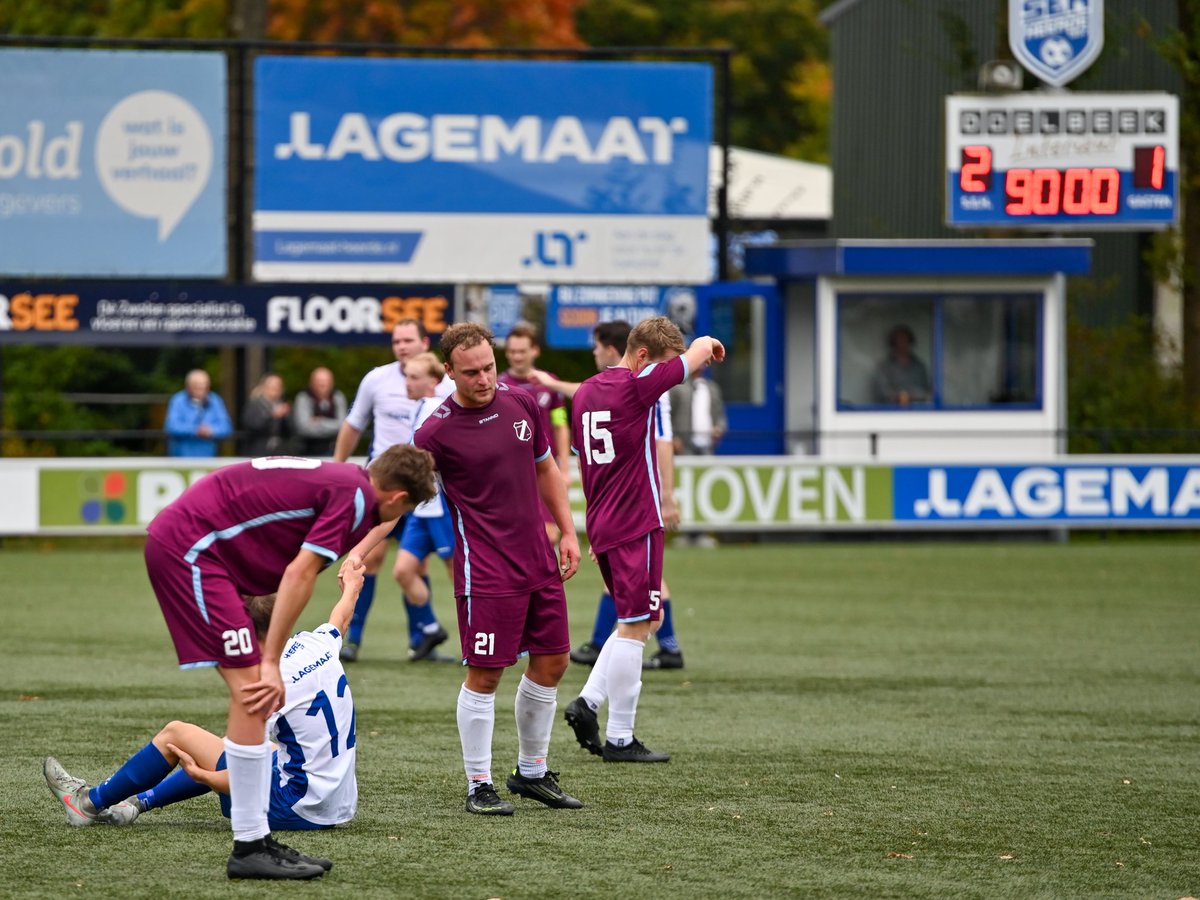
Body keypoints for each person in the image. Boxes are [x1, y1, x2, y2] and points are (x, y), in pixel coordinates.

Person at [134, 445, 435, 879]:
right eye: (404, 511)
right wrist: (271, 659)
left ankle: (252, 840)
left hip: (197, 540)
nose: (393, 523)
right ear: (395, 497)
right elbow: (299, 574)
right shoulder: (352, 499)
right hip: (190, 551)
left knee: (252, 703)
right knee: (254, 694)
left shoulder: (348, 480)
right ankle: (250, 846)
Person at [376, 321, 582, 815]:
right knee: (487, 675)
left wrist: (568, 529)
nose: (485, 379)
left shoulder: (522, 402)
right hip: (485, 570)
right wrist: (361, 546)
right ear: (448, 371)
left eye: (489, 367)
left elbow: (546, 467)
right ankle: (478, 783)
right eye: (471, 373)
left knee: (554, 663)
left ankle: (531, 773)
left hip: (538, 559)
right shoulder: (435, 432)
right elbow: (398, 494)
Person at [43, 565, 367, 836]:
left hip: (296, 808)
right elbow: (341, 618)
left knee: (176, 734)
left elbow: (241, 775)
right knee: (236, 745)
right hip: (335, 803)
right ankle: (135, 804)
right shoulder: (316, 644)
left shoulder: (263, 683)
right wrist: (351, 586)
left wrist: (206, 779)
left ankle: (87, 803)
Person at [564, 316, 724, 763]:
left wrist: (597, 528)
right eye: (661, 364)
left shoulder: (587, 392)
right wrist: (707, 341)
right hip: (636, 522)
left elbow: (586, 466)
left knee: (640, 621)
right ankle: (620, 737)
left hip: (605, 519)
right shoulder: (637, 387)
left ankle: (588, 702)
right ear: (640, 356)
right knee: (636, 628)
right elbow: (695, 356)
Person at [532, 320, 688, 671]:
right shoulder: (629, 388)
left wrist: (666, 495)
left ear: (613, 349)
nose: (593, 351)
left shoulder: (635, 389)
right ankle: (635, 653)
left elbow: (661, 441)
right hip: (628, 512)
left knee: (639, 607)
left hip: (624, 511)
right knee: (638, 611)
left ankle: (653, 646)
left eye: (597, 345)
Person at [333, 319, 454, 662]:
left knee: (415, 566)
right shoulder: (377, 379)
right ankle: (352, 638)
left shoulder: (442, 386)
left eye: (407, 340)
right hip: (382, 485)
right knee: (370, 557)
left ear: (423, 343)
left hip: (425, 489)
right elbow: (354, 423)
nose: (401, 346)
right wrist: (339, 468)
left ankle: (423, 638)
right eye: (396, 340)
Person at [391, 351, 454, 661]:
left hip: (441, 504)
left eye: (414, 377)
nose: (408, 382)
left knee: (460, 577)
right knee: (403, 571)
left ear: (432, 381)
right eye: (407, 376)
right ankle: (430, 627)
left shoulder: (435, 408)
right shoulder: (420, 407)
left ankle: (481, 638)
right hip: (423, 506)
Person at [497, 323, 572, 543]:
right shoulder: (498, 386)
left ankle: (543, 575)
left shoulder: (549, 383)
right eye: (512, 351)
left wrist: (565, 469)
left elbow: (560, 424)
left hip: (544, 469)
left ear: (534, 351)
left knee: (550, 534)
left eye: (521, 351)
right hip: (512, 474)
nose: (517, 356)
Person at [164, 369, 233, 457]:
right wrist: (195, 430)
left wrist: (211, 430)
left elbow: (226, 427)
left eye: (204, 387)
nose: (200, 391)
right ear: (188, 387)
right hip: (181, 456)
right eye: (197, 387)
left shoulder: (215, 400)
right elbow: (171, 426)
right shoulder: (178, 400)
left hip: (208, 456)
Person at [670, 368, 727, 456]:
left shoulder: (712, 388)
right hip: (683, 444)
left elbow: (720, 415)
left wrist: (718, 428)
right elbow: (667, 415)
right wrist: (673, 438)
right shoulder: (677, 387)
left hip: (707, 443)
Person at [292, 367, 347, 457]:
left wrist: (319, 421)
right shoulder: (303, 397)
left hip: (334, 452)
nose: (322, 384)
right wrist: (332, 426)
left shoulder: (338, 397)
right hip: (308, 452)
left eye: (326, 381)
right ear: (311, 382)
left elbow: (343, 426)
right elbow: (303, 427)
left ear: (332, 382)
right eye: (319, 381)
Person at [872, 324, 931, 406]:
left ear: (910, 342)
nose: (902, 343)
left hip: (917, 414)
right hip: (889, 414)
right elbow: (882, 392)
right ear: (893, 343)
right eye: (899, 340)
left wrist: (911, 396)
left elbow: (926, 392)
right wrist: (899, 396)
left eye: (905, 340)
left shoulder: (919, 366)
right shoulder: (884, 367)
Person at [240, 373, 293, 457]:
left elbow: (291, 432)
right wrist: (271, 416)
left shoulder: (283, 405)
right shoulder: (254, 405)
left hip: (280, 452)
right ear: (264, 387)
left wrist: (285, 417)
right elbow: (252, 426)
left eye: (278, 386)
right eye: (272, 386)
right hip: (258, 452)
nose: (275, 389)